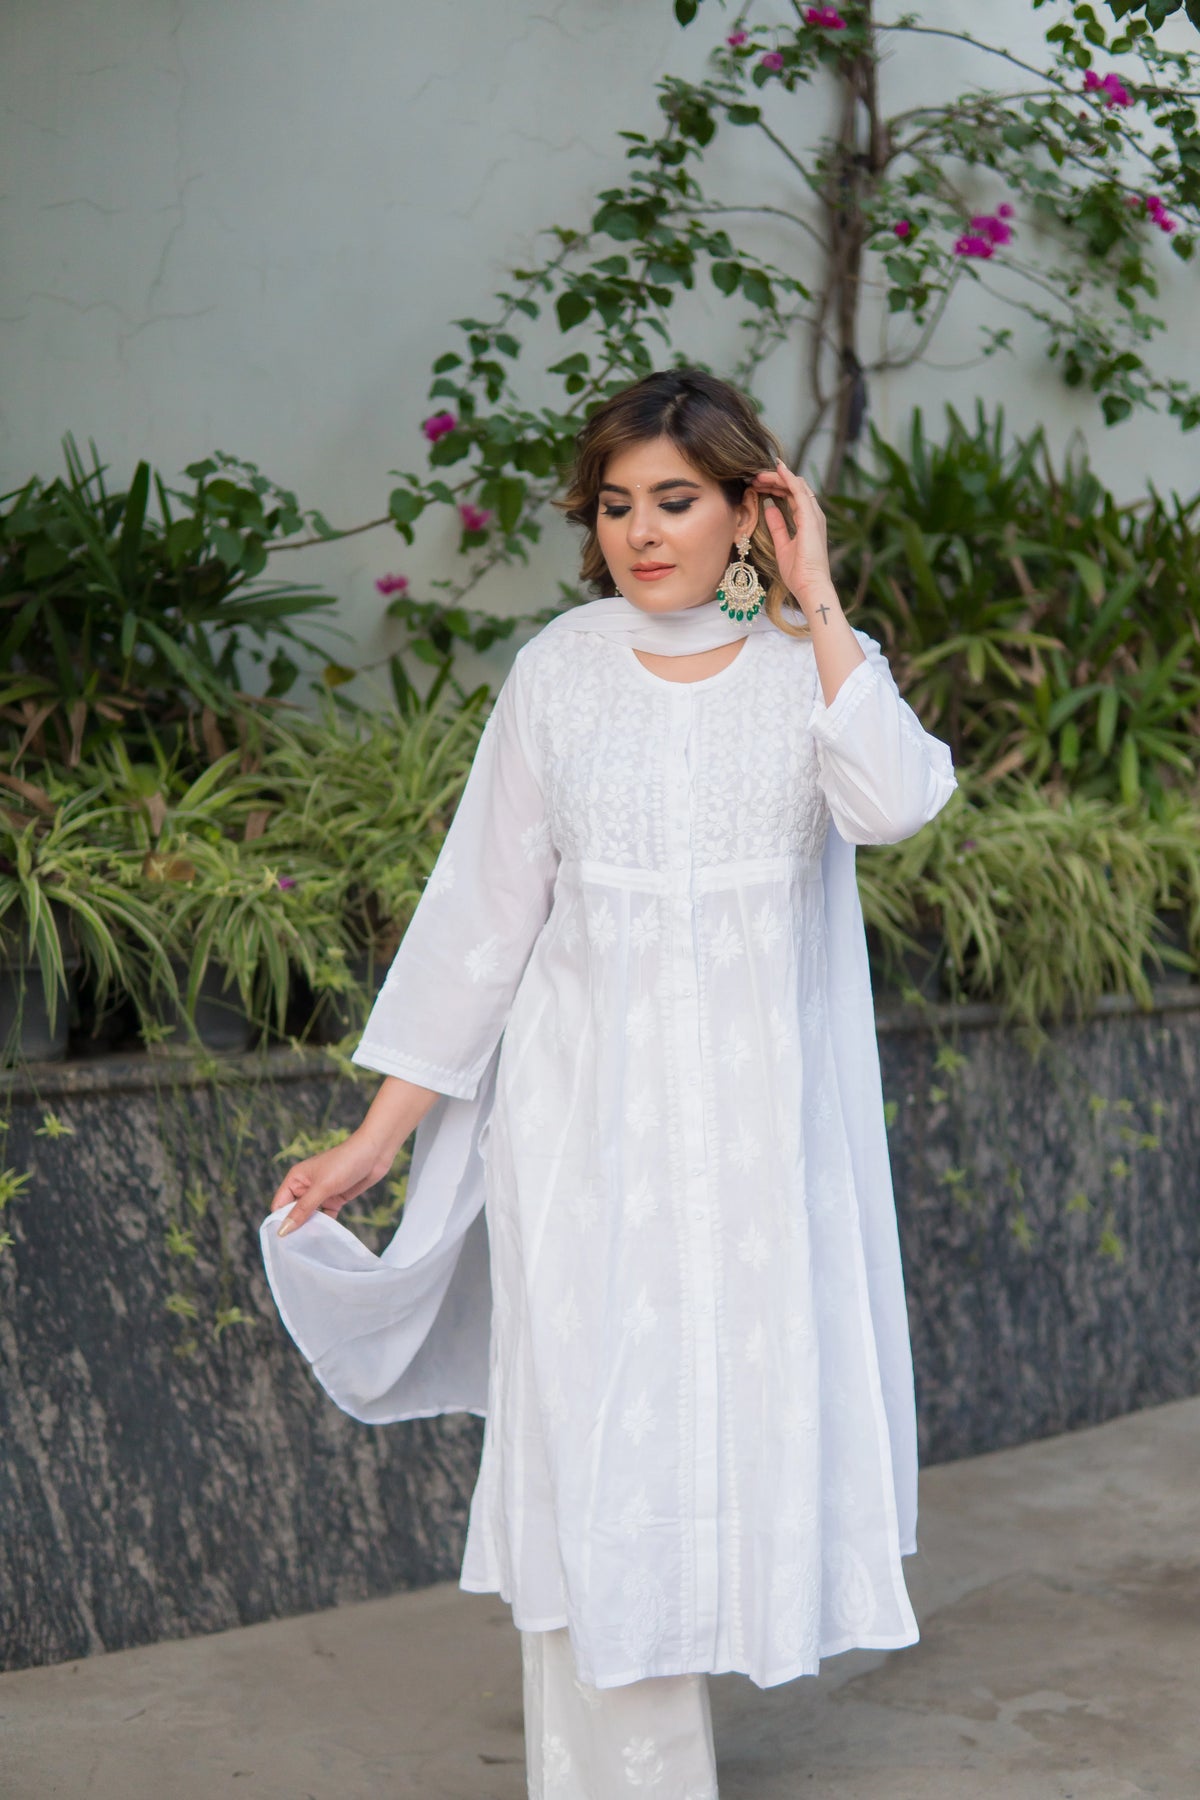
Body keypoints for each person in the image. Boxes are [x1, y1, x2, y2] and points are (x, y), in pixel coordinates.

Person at [261, 366, 957, 1799]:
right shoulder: (562, 671)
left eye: (679, 502)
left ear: (750, 507)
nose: (643, 534)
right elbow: (480, 920)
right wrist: (378, 1141)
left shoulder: (812, 674)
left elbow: (894, 804)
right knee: (602, 1461)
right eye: (618, 506)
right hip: (582, 1143)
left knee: (721, 1446)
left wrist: (815, 598)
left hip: (759, 1164)